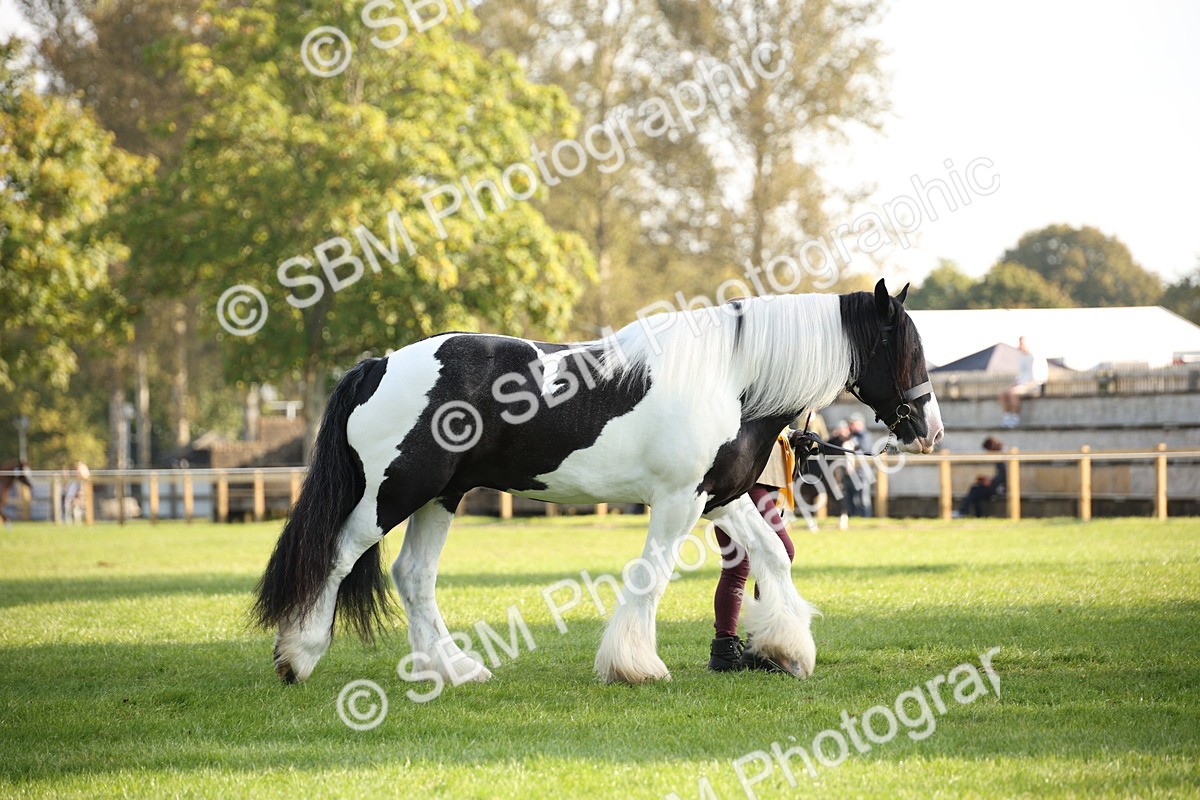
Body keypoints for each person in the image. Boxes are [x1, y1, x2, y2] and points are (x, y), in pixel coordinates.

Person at [709, 429, 801, 675]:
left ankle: (724, 650)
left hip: (757, 475)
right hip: (750, 479)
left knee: (736, 565)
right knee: (781, 552)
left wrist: (790, 434)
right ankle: (759, 644)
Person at [999, 336, 1048, 428]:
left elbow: (1036, 379)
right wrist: (1014, 384)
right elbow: (1021, 375)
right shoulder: (1022, 357)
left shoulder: (1035, 357)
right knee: (1003, 393)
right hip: (1022, 384)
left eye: (1021, 343)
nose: (1019, 346)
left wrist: (1021, 386)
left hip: (1033, 385)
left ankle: (1015, 418)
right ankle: (1007, 417)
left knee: (1013, 393)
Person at [954, 437, 1006, 517]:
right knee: (976, 492)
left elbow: (1005, 475)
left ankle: (963, 512)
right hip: (998, 485)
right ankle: (976, 515)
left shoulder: (1001, 456)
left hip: (1000, 488)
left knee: (974, 490)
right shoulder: (1001, 454)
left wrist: (991, 481)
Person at [845, 413, 874, 518]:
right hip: (850, 472)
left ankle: (866, 517)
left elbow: (863, 449)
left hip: (862, 472)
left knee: (863, 498)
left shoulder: (865, 436)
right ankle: (853, 516)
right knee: (850, 497)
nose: (850, 426)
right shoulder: (850, 436)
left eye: (852, 423)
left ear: (860, 423)